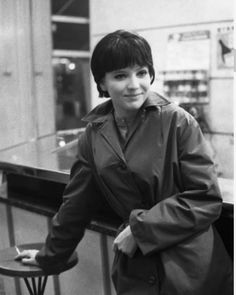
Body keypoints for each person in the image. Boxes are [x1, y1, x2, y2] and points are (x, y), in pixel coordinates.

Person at [16, 30, 232, 295]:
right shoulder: (94, 135)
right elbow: (76, 205)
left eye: (141, 72)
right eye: (120, 76)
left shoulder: (178, 122)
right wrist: (48, 256)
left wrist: (140, 231)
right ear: (102, 83)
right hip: (137, 271)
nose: (134, 84)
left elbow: (206, 199)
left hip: (190, 267)